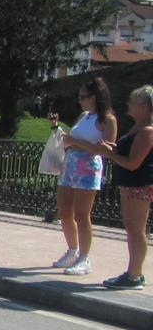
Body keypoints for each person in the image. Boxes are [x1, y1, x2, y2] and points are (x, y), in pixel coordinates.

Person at [47, 78, 117, 275]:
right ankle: (72, 250)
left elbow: (107, 150)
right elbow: (69, 140)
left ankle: (84, 258)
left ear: (94, 97)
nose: (80, 101)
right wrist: (55, 127)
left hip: (88, 167)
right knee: (64, 212)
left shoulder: (107, 120)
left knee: (81, 214)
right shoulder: (84, 116)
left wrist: (77, 143)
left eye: (83, 97)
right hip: (70, 165)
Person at [97, 85, 153, 289]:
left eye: (132, 101)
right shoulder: (138, 127)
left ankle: (134, 275)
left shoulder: (147, 130)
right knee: (132, 227)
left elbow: (133, 163)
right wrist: (112, 148)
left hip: (139, 184)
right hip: (131, 184)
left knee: (136, 229)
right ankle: (133, 273)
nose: (128, 104)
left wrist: (109, 153)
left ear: (144, 107)